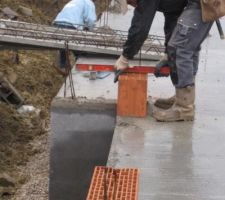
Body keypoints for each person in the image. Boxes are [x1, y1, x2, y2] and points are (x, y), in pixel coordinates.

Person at [152, 0, 224, 122]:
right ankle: (183, 98)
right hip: (199, 5)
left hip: (201, 5)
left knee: (181, 49)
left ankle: (184, 108)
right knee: (190, 48)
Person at [114, 0, 187, 82]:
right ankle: (182, 93)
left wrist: (125, 58)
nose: (132, 5)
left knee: (187, 57)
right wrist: (169, 54)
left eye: (129, 2)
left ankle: (185, 93)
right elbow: (173, 17)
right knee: (177, 58)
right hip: (190, 6)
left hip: (200, 7)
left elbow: (140, 28)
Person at [53, 0, 110, 79]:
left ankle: (63, 65)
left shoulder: (75, 1)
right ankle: (82, 68)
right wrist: (91, 33)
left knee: (63, 45)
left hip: (57, 24)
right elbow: (91, 20)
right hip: (70, 25)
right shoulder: (89, 3)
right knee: (79, 50)